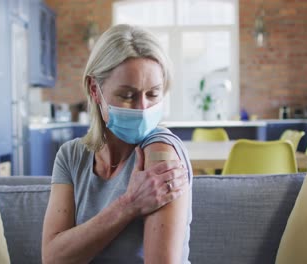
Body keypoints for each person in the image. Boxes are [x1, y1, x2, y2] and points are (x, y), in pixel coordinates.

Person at [41, 24, 193, 264]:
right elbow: (52, 258)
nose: (143, 109)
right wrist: (128, 204)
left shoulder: (160, 150)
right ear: (95, 90)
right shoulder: (71, 156)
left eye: (153, 94)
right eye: (128, 95)